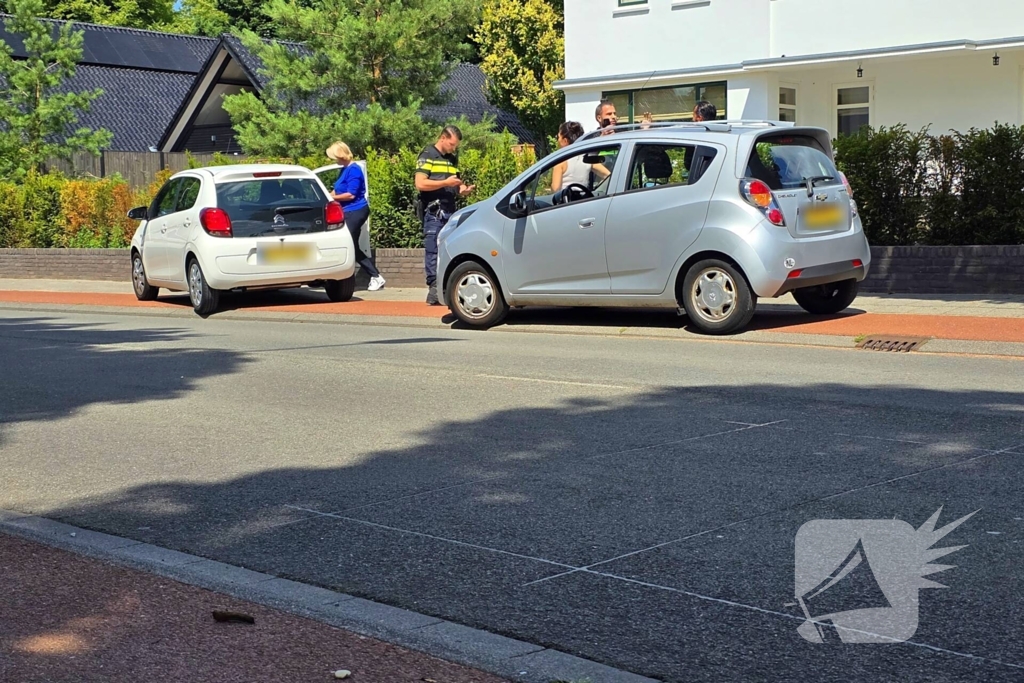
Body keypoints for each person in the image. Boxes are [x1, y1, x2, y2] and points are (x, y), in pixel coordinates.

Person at [415, 125, 474, 305]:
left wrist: (462, 189)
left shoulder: (451, 159)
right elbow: (420, 184)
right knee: (433, 250)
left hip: (450, 210)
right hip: (434, 212)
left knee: (449, 250)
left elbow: (455, 183)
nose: (453, 148)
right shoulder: (427, 155)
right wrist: (445, 183)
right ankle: (433, 290)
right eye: (451, 144)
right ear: (442, 138)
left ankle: (445, 287)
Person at [326, 142, 385, 292]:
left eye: (335, 157)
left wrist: (332, 199)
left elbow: (351, 194)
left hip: (356, 211)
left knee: (349, 244)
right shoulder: (345, 170)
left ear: (340, 155)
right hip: (349, 211)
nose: (334, 160)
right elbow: (337, 190)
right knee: (352, 246)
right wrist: (326, 195)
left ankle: (376, 276)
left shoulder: (354, 170)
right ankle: (370, 276)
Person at [550, 122, 589, 192]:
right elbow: (607, 175)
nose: (558, 140)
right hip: (584, 199)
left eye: (558, 137)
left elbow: (556, 188)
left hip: (567, 201)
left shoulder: (560, 162)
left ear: (565, 141)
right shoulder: (587, 158)